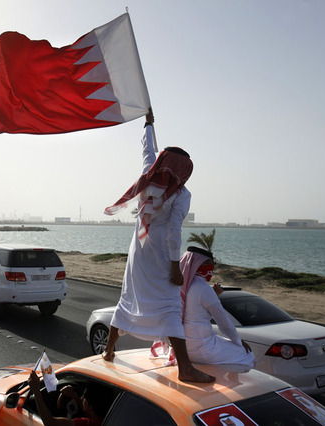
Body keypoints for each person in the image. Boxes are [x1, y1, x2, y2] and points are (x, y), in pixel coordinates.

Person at [101, 109, 214, 383]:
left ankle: (108, 350)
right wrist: (176, 266)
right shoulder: (182, 194)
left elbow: (147, 152)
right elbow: (175, 230)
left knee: (129, 296)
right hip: (163, 255)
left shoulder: (149, 176)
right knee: (170, 306)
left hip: (138, 251)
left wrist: (148, 125)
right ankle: (185, 368)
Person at [179, 247, 255, 367]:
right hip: (202, 348)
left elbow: (194, 310)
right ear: (196, 264)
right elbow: (223, 322)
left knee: (223, 343)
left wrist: (213, 295)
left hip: (181, 348)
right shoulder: (203, 288)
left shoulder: (179, 287)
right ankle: (232, 384)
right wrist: (238, 341)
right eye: (207, 263)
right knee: (247, 355)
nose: (211, 266)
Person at [27, 371, 107, 426]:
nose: (81, 398)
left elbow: (50, 423)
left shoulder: (87, 424)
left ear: (91, 406)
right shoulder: (106, 417)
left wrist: (36, 390)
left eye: (84, 397)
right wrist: (74, 396)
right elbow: (87, 410)